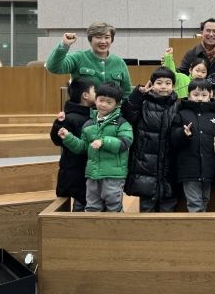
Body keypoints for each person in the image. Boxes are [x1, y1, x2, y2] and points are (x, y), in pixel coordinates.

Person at [58, 83, 133, 212]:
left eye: (109, 102)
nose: (103, 104)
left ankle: (115, 225)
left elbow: (125, 142)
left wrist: (104, 142)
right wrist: (68, 137)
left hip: (113, 175)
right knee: (92, 206)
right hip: (92, 174)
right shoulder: (89, 123)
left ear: (117, 104)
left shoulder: (122, 122)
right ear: (96, 99)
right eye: (101, 100)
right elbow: (82, 147)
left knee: (113, 205)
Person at [122, 67, 180, 212]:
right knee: (147, 206)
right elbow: (128, 114)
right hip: (145, 164)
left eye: (168, 83)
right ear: (151, 85)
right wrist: (138, 94)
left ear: (173, 86)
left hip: (169, 165)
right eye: (159, 83)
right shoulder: (143, 103)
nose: (163, 87)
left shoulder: (178, 106)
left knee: (168, 207)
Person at [46, 22, 132, 99]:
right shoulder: (78, 57)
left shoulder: (119, 62)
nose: (103, 41)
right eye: (98, 37)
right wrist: (64, 45)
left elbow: (127, 93)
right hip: (82, 110)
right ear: (90, 40)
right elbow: (53, 67)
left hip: (112, 111)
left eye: (107, 37)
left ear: (111, 40)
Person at [171, 79, 215, 212]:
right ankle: (198, 225)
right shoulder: (182, 113)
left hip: (208, 166)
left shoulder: (214, 115)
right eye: (196, 94)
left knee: (205, 199)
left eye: (204, 95)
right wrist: (183, 134)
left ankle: (201, 223)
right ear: (189, 95)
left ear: (210, 94)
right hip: (189, 167)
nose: (199, 98)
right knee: (195, 203)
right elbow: (173, 137)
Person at [49, 77, 96, 212]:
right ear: (85, 95)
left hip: (84, 169)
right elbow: (56, 139)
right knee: (80, 204)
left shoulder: (92, 115)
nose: (97, 93)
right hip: (75, 170)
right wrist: (59, 124)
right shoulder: (70, 117)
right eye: (94, 90)